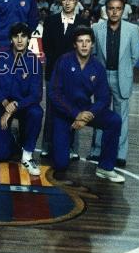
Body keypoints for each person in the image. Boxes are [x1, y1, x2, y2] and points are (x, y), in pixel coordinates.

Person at [48, 26, 125, 183]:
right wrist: (75, 114)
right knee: (61, 164)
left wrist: (87, 115)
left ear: (92, 44)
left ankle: (105, 167)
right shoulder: (63, 61)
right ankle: (63, 146)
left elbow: (104, 98)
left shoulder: (98, 67)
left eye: (88, 41)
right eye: (80, 41)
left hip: (86, 111)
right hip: (64, 112)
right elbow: (54, 93)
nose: (84, 45)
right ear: (75, 44)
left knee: (114, 120)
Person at [88, 0, 139, 168]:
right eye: (111, 8)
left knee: (121, 117)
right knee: (99, 113)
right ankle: (96, 150)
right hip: (102, 77)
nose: (115, 12)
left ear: (123, 10)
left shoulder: (132, 29)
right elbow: (93, 54)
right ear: (106, 10)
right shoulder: (97, 28)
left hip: (121, 77)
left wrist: (124, 71)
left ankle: (120, 154)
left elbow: (135, 56)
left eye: (118, 8)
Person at [0, 23, 43, 175]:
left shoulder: (34, 61)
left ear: (29, 39)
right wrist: (5, 102)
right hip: (2, 104)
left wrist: (16, 105)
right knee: (0, 155)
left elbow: (37, 94)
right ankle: (12, 137)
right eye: (16, 36)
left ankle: (27, 154)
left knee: (37, 112)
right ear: (11, 39)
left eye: (23, 36)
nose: (19, 40)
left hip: (23, 106)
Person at [41, 0, 90, 159]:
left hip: (75, 74)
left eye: (72, 0)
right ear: (60, 2)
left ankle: (71, 148)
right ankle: (47, 146)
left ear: (77, 2)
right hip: (53, 71)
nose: (68, 2)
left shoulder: (83, 22)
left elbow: (83, 50)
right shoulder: (51, 21)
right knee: (51, 110)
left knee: (73, 110)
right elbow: (46, 46)